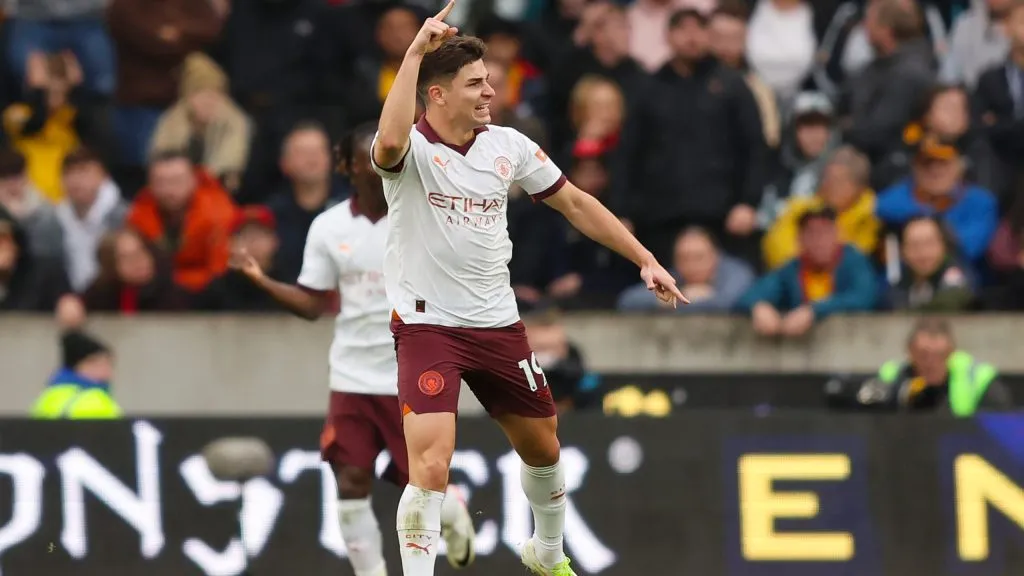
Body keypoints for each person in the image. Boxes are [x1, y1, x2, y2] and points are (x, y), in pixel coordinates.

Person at [370, 3, 685, 575]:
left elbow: (575, 203)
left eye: (488, 79)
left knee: (543, 448)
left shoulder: (507, 145)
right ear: (436, 95)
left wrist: (645, 259)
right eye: (475, 83)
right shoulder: (410, 152)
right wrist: (414, 53)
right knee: (431, 465)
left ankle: (545, 551)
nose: (489, 91)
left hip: (497, 323)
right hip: (427, 326)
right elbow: (387, 142)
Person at [230, 123, 477, 576]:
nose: (384, 162)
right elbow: (311, 304)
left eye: (391, 153)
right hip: (352, 374)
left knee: (423, 485)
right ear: (348, 167)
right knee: (350, 478)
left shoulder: (424, 214)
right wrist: (260, 279)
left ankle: (456, 518)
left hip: (414, 373)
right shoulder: (328, 228)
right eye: (371, 155)